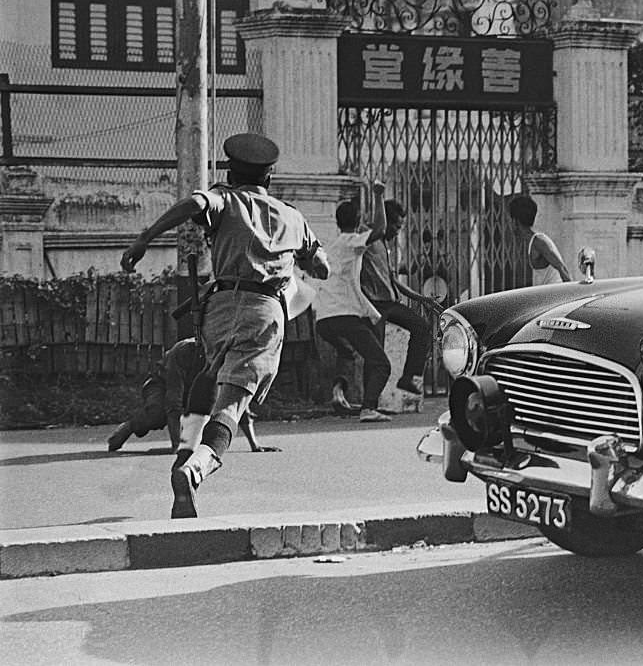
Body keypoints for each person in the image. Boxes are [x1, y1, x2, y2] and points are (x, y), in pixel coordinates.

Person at [120, 132, 330, 518]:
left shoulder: (225, 199)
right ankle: (195, 467)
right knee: (233, 403)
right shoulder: (292, 216)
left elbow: (192, 203)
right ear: (269, 178)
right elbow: (322, 266)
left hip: (218, 308)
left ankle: (185, 449)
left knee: (207, 375)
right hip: (263, 310)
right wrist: (306, 260)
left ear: (231, 173)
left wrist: (144, 239)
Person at [313, 180, 394, 423]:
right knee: (381, 363)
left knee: (347, 352)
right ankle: (369, 407)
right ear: (357, 222)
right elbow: (380, 229)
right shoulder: (352, 242)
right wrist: (379, 196)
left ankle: (339, 392)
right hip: (344, 316)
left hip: (323, 319)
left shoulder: (332, 246)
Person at [106, 337, 273, 454]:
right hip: (161, 385)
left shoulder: (224, 356)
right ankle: (130, 426)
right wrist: (177, 446)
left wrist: (254, 445)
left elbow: (235, 399)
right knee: (156, 415)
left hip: (194, 389)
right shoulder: (182, 351)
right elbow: (173, 400)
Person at [358, 198, 443, 398]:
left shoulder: (387, 246)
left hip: (389, 302)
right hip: (373, 304)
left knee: (421, 327)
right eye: (396, 225)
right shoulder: (368, 239)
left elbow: (394, 280)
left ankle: (409, 377)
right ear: (385, 221)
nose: (398, 231)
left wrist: (423, 299)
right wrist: (377, 196)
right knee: (375, 355)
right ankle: (369, 403)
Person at [507, 194, 571, 285]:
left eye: (510, 219)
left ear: (515, 221)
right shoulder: (531, 242)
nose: (509, 224)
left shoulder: (539, 241)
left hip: (554, 294)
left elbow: (562, 268)